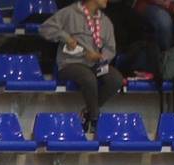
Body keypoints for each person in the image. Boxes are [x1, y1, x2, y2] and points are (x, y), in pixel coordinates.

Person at [42, 0, 124, 134]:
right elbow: (45, 28)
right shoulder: (69, 13)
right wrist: (66, 38)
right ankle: (95, 118)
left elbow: (111, 48)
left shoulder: (105, 21)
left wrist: (101, 57)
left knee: (116, 79)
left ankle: (88, 111)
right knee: (88, 77)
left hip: (94, 63)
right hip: (70, 63)